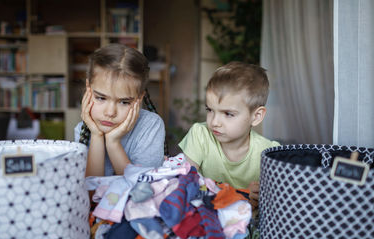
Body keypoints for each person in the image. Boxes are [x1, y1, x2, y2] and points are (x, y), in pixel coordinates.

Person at [178, 62, 280, 209]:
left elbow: (279, 203)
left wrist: (260, 197)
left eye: (228, 114)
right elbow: (185, 183)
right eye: (210, 110)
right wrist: (242, 194)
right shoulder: (200, 135)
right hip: (206, 215)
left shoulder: (268, 154)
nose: (214, 122)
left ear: (256, 116)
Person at [75, 43, 165, 177]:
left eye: (124, 102)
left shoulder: (150, 126)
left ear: (139, 99)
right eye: (101, 98)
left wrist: (113, 143)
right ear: (88, 88)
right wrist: (96, 136)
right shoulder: (83, 130)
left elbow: (143, 191)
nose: (110, 112)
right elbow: (91, 194)